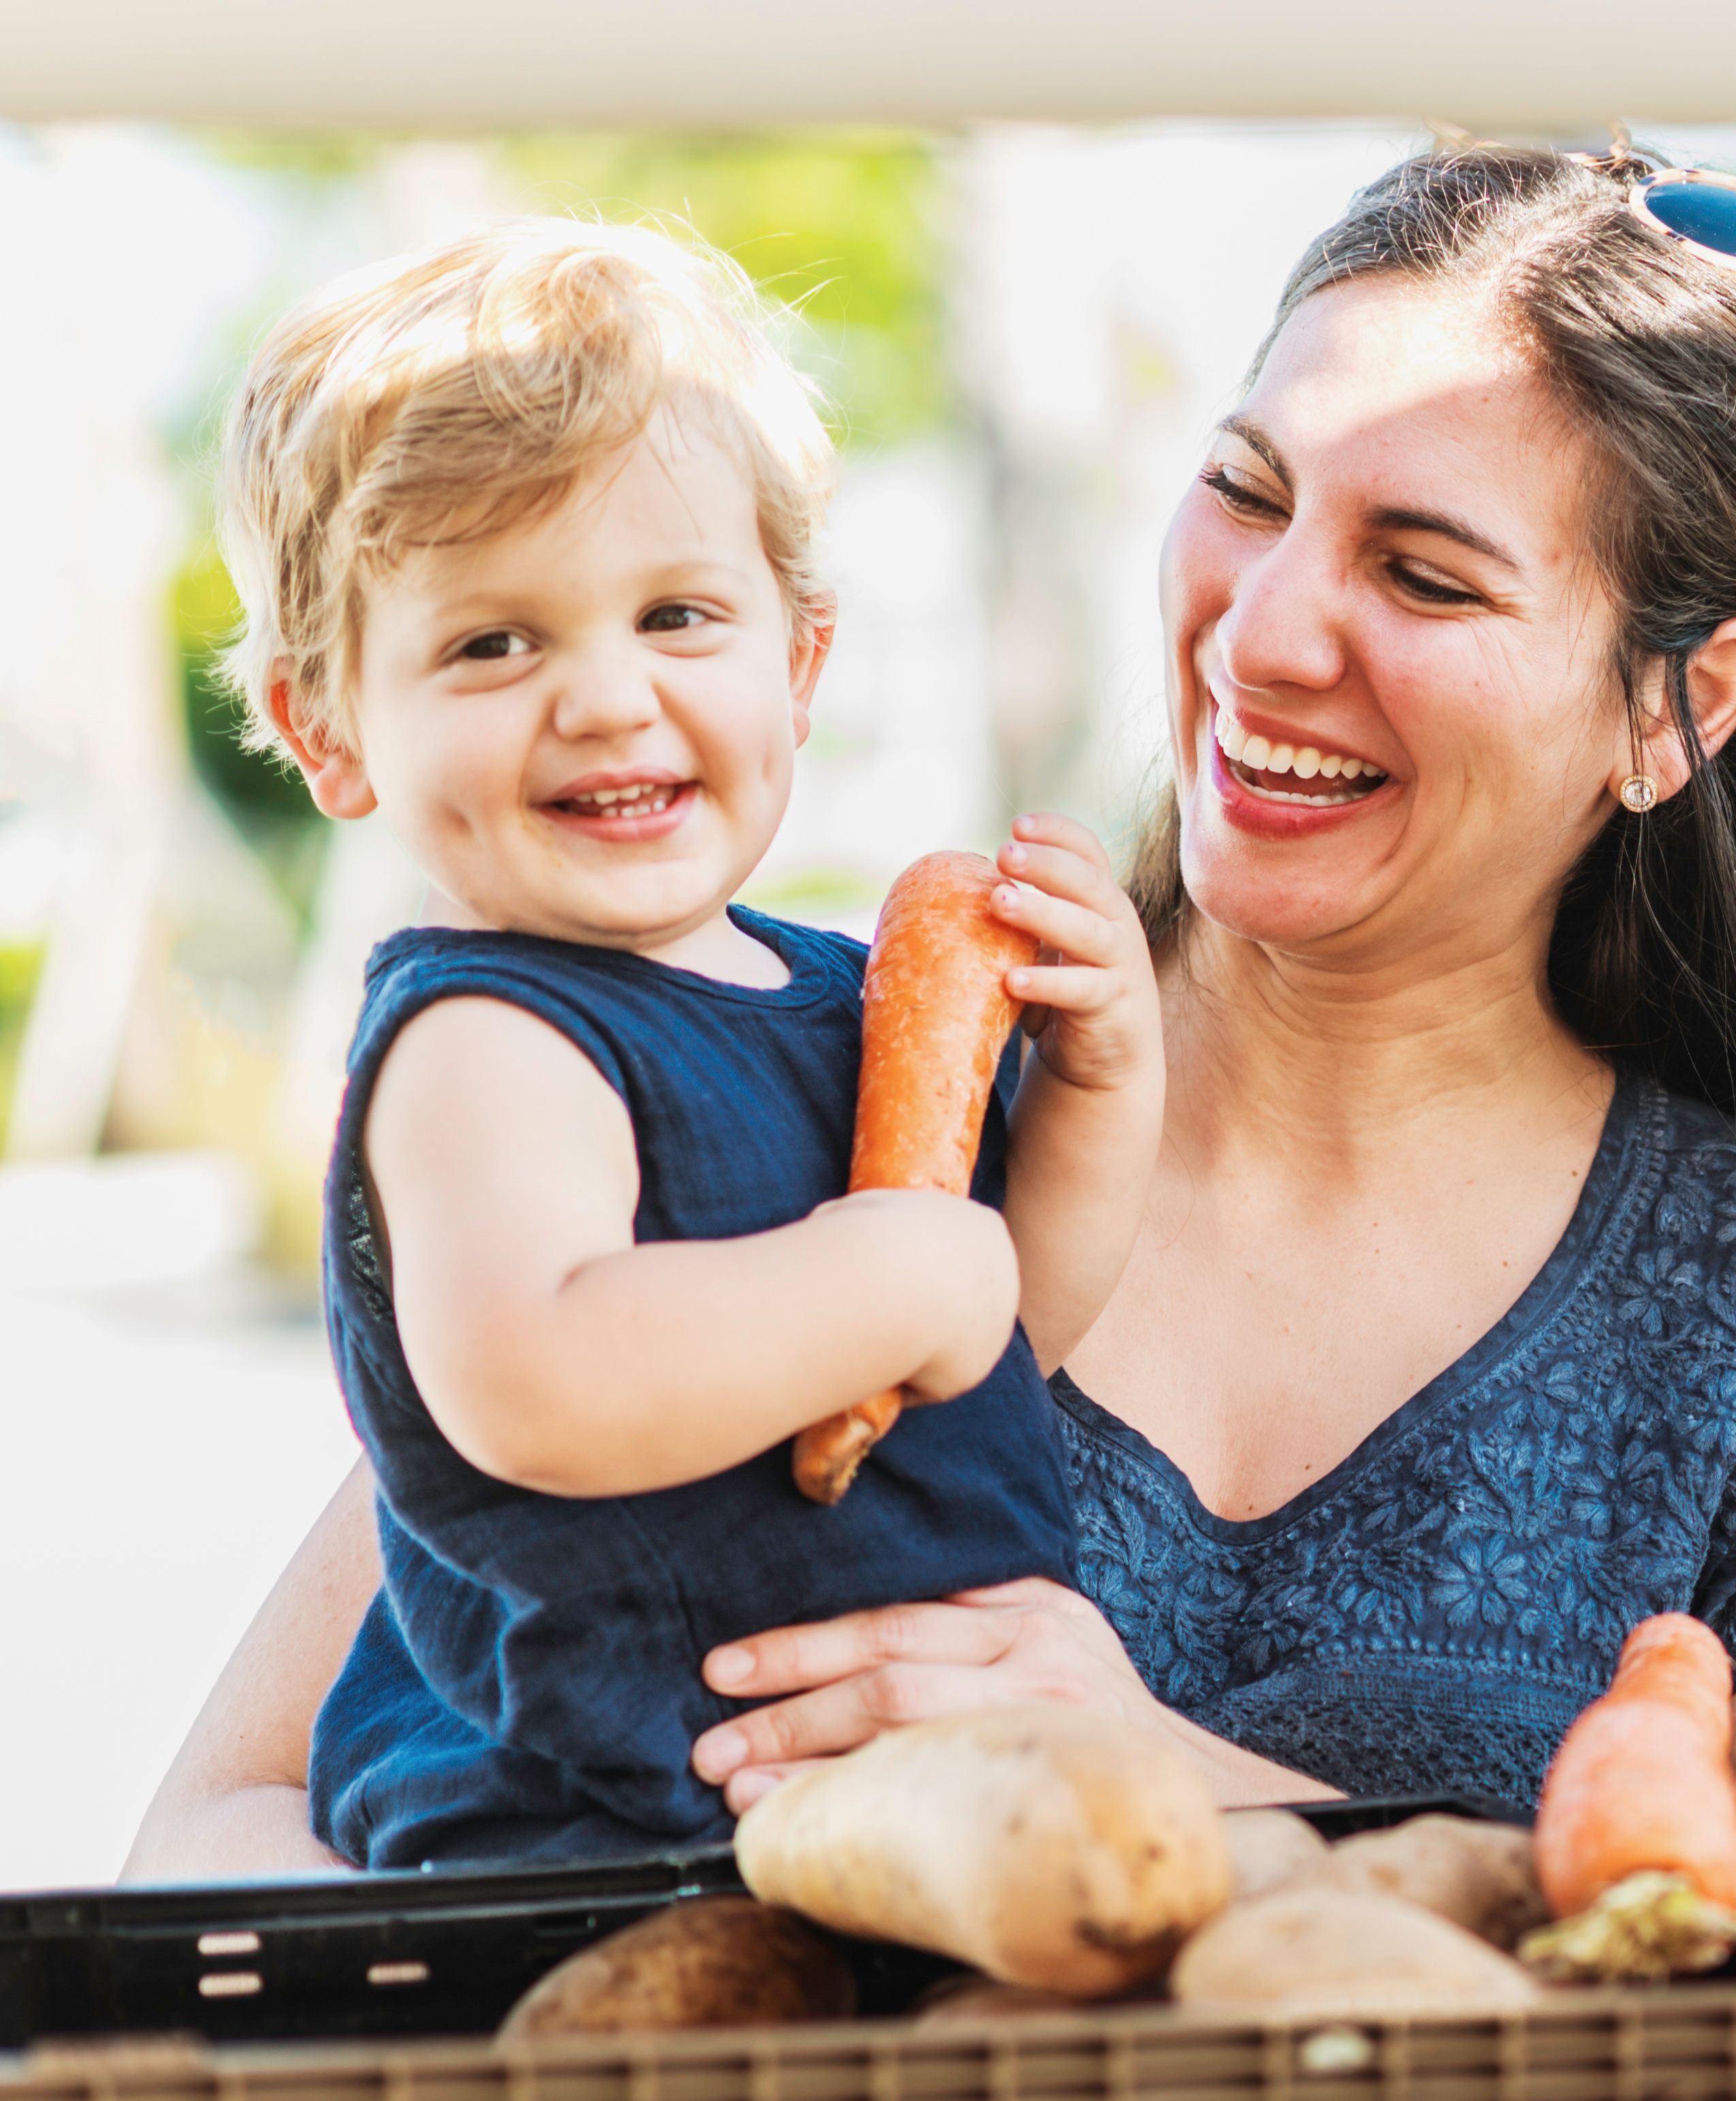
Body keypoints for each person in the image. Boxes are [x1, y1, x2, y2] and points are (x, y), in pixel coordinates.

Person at [127, 146, 1736, 1880]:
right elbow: (214, 1830)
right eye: (1248, 491)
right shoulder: (831, 1071)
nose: (1264, 629)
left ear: (1687, 706)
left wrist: (1202, 1801)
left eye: (1423, 573)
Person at [212, 219, 1161, 1869]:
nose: (603, 697)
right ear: (331, 731)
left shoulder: (844, 994)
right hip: (581, 1822)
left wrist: (1098, 1089)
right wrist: (903, 1272)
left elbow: (1000, 1331)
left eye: (675, 616)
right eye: (493, 642)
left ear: (800, 661)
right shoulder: (487, 1041)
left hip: (877, 1798)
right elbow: (543, 1379)